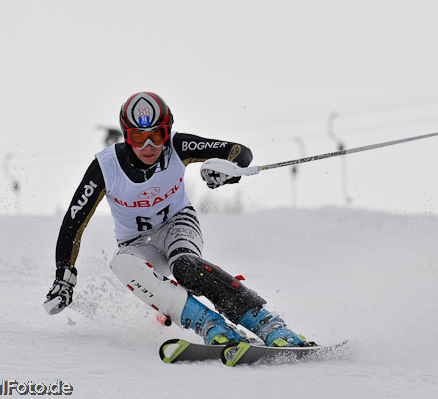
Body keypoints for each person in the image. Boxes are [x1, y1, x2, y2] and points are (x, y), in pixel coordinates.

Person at [45, 92, 314, 347]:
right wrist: (64, 278)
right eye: (139, 138)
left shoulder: (177, 145)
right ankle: (210, 325)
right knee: (122, 264)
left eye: (157, 135)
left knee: (184, 265)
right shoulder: (106, 166)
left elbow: (238, 152)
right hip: (138, 243)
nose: (149, 146)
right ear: (127, 137)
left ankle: (269, 325)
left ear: (168, 131)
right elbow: (73, 223)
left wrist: (226, 171)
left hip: (178, 224)